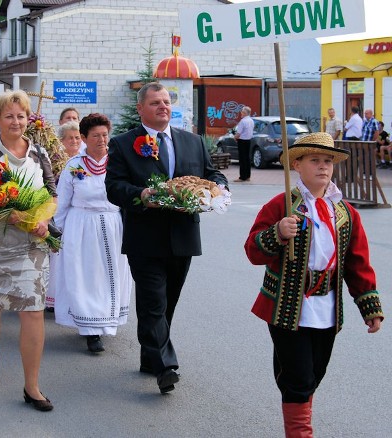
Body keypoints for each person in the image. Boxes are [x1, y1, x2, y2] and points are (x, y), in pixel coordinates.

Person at [244, 132, 384, 437]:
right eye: (315, 160)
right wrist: (278, 233)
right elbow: (253, 251)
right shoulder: (282, 205)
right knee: (298, 378)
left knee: (313, 374)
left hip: (327, 310)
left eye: (328, 161)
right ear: (297, 164)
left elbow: (357, 264)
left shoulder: (345, 214)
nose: (323, 166)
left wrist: (369, 307)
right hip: (287, 308)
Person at [105, 82, 227, 394]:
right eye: (156, 102)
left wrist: (220, 189)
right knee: (152, 303)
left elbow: (213, 174)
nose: (163, 106)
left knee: (168, 302)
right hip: (145, 237)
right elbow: (114, 187)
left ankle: (150, 355)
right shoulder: (123, 143)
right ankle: (165, 366)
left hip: (183, 236)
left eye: (166, 102)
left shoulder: (191, 141)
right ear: (140, 109)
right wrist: (141, 194)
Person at [0, 90, 56, 411]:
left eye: (21, 115)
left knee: (33, 311)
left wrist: (44, 218)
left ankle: (31, 386)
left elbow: (51, 192)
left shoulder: (39, 155)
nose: (16, 121)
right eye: (9, 116)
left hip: (32, 245)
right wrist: (12, 215)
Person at [53, 113, 132, 353]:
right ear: (84, 138)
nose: (101, 140)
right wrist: (58, 233)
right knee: (86, 276)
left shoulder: (118, 162)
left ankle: (107, 320)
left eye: (105, 135)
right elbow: (62, 203)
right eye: (95, 135)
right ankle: (90, 330)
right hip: (82, 225)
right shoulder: (74, 165)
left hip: (111, 223)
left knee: (110, 274)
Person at [234, 106, 254, 182]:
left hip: (242, 141)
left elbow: (239, 133)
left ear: (245, 113)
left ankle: (242, 176)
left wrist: (235, 137)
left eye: (242, 112)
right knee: (247, 158)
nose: (241, 113)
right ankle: (248, 176)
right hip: (248, 140)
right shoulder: (251, 120)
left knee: (242, 159)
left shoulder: (242, 121)